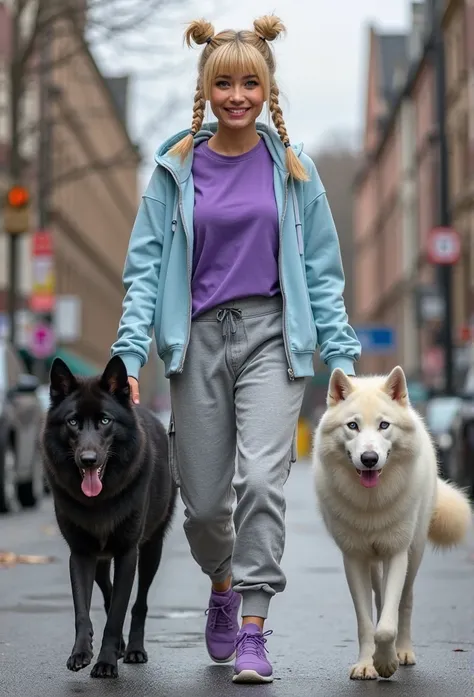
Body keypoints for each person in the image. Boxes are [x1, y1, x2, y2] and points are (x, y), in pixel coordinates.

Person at [111, 14, 361, 684]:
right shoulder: (174, 171)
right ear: (207, 88)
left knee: (260, 482)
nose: (238, 95)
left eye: (251, 82)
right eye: (224, 83)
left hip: (272, 339)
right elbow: (143, 273)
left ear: (267, 88)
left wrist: (342, 356)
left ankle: (253, 625)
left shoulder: (296, 172)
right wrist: (128, 358)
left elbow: (323, 274)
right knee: (204, 507)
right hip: (196, 343)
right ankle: (221, 579)